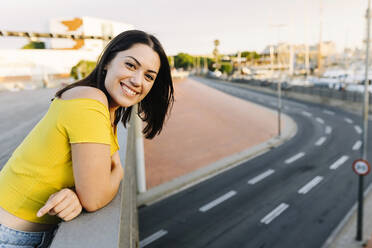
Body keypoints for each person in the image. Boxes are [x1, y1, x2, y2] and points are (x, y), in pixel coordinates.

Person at [0, 29, 174, 247]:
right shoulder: (91, 100)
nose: (138, 80)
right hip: (10, 235)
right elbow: (94, 197)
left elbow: (91, 187)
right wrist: (117, 172)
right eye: (131, 65)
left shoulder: (107, 109)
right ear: (108, 61)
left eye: (149, 76)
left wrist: (76, 194)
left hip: (23, 232)